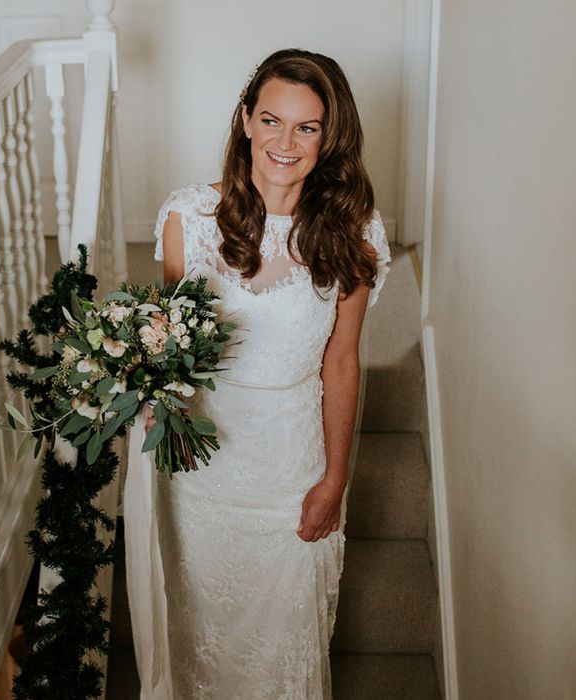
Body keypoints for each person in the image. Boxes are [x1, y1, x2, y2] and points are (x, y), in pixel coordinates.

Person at [139, 48, 391, 699]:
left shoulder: (353, 231)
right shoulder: (188, 218)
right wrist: (142, 391)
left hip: (290, 467)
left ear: (328, 137)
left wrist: (335, 477)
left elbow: (340, 360)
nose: (286, 141)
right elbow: (167, 344)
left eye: (306, 127)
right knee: (203, 637)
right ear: (246, 119)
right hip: (202, 473)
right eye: (272, 120)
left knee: (282, 645)